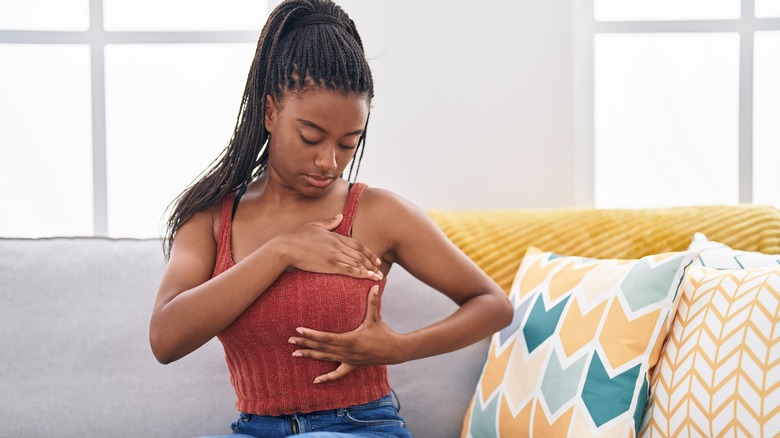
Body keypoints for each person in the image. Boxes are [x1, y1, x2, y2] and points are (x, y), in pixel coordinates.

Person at [149, 1, 513, 436]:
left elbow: (493, 305)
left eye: (348, 143)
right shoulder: (212, 219)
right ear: (270, 112)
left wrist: (398, 348)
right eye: (311, 137)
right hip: (255, 428)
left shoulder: (378, 213)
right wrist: (282, 250)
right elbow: (165, 340)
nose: (329, 161)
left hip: (361, 425)